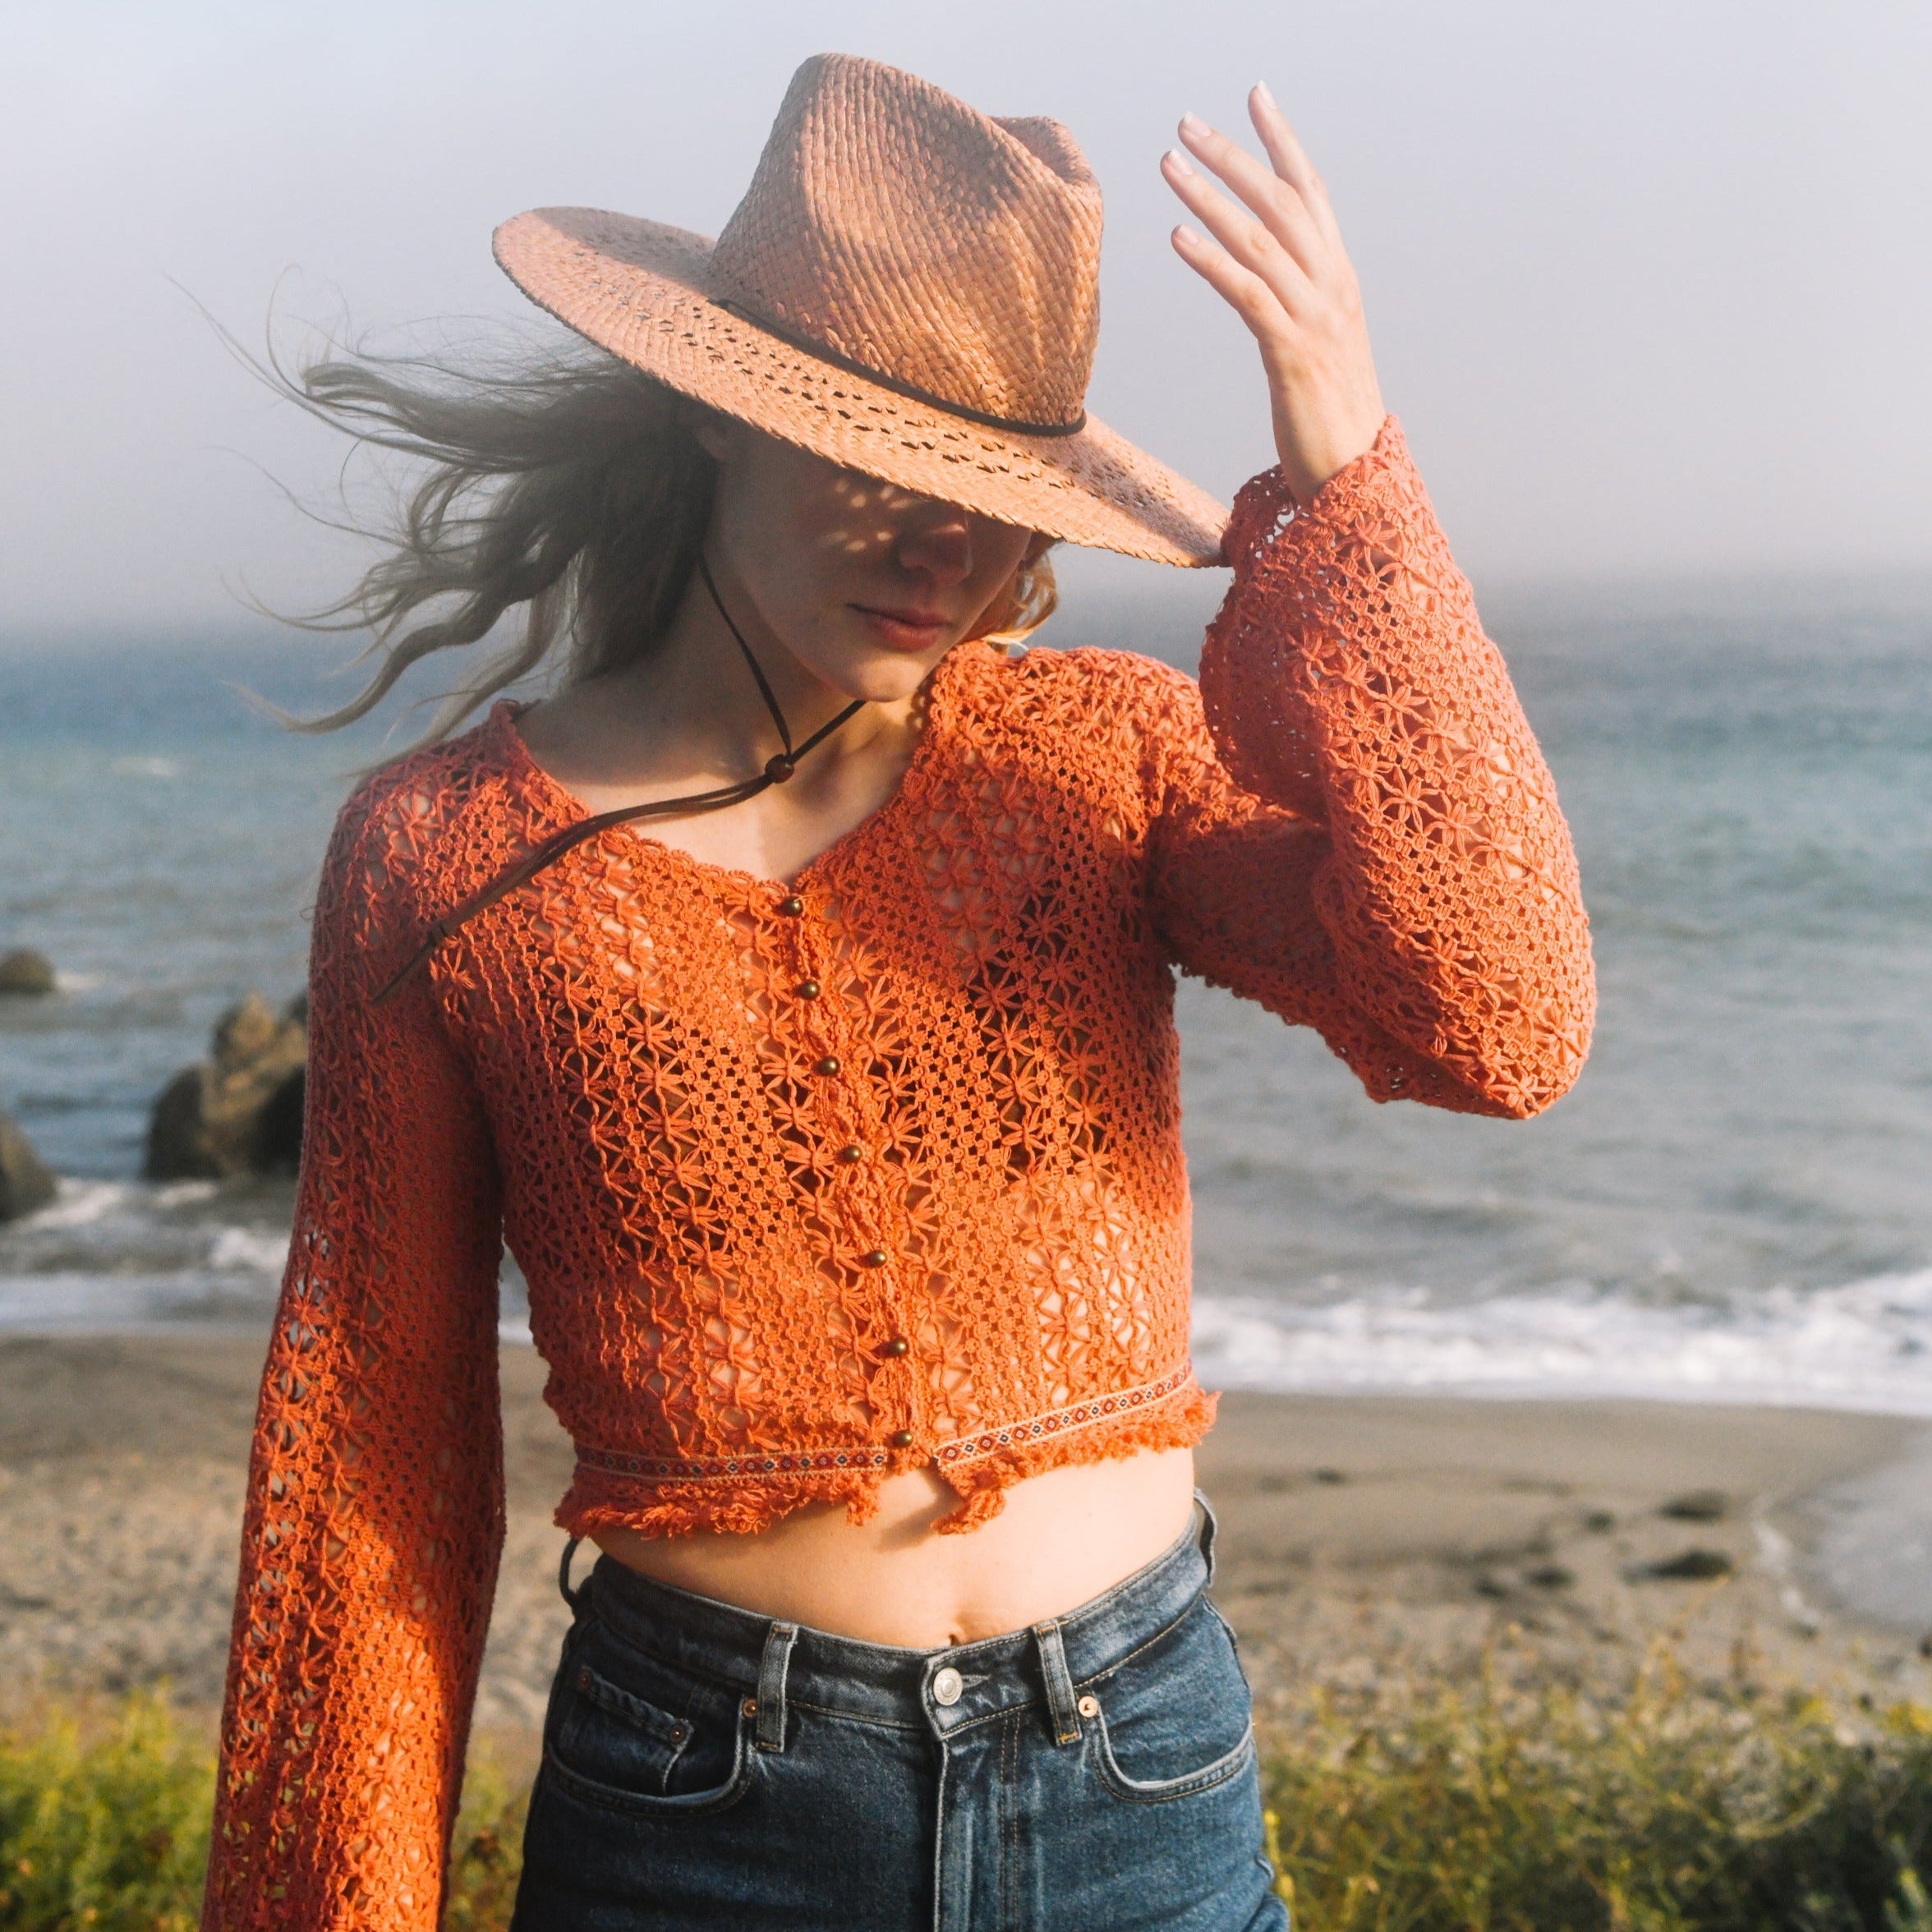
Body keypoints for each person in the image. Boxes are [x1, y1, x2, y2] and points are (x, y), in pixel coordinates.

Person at [201, 52, 1593, 1932]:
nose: (954, 542)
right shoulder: (443, 859)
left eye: (998, 489)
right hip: (698, 1810)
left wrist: (1350, 475)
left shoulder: (1093, 762)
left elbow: (1497, 1023)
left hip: (1136, 1780)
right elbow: (374, 1451)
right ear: (715, 410)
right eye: (889, 455)